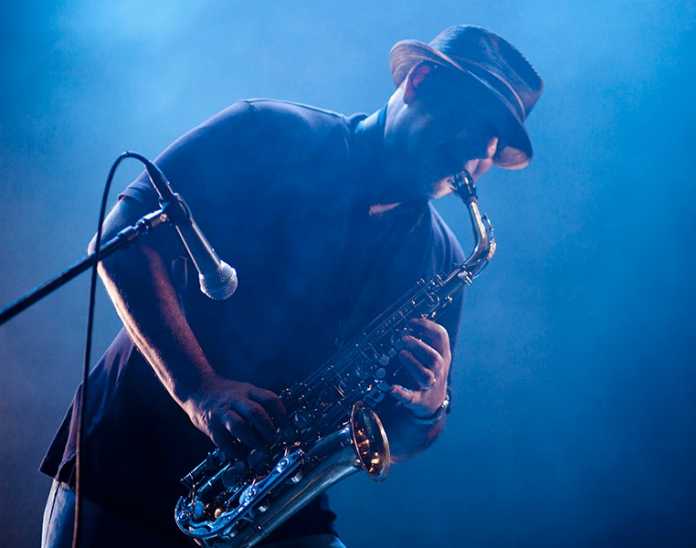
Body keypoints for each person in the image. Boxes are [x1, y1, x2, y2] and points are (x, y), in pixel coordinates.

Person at [39, 25, 542, 547]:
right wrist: (200, 390)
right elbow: (121, 235)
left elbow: (404, 435)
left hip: (266, 507)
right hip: (130, 463)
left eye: (496, 143)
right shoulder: (268, 132)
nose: (483, 153)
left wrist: (428, 405)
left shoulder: (442, 260)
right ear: (420, 80)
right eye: (476, 121)